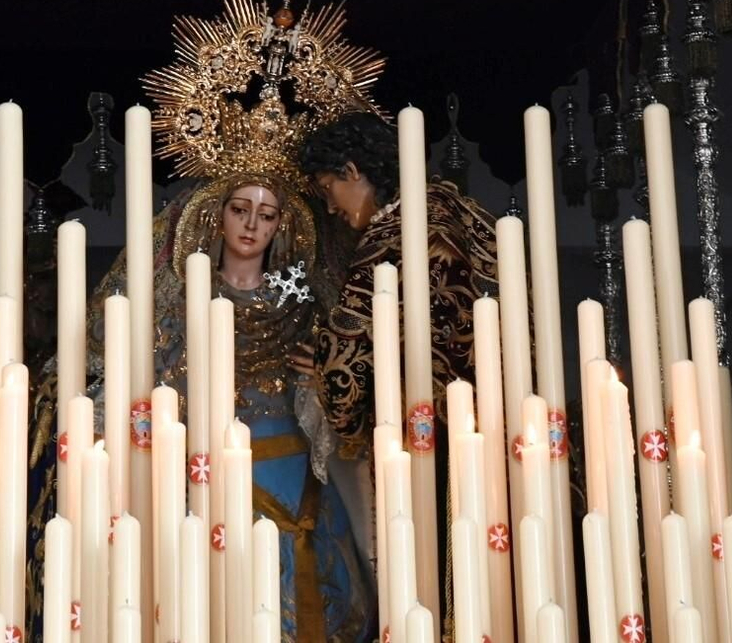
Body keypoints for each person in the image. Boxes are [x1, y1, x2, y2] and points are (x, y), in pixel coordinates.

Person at [89, 169, 372, 642]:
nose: (251, 225)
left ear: (281, 225)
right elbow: (138, 388)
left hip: (295, 475)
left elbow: (345, 406)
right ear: (216, 216)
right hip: (208, 476)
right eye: (240, 210)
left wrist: (322, 378)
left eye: (266, 215)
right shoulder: (178, 310)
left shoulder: (301, 310)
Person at [298, 112, 500, 457]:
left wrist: (321, 366)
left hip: (434, 435)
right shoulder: (462, 212)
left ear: (351, 170)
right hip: (506, 419)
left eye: (328, 188)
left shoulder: (388, 238)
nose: (330, 208)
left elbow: (344, 368)